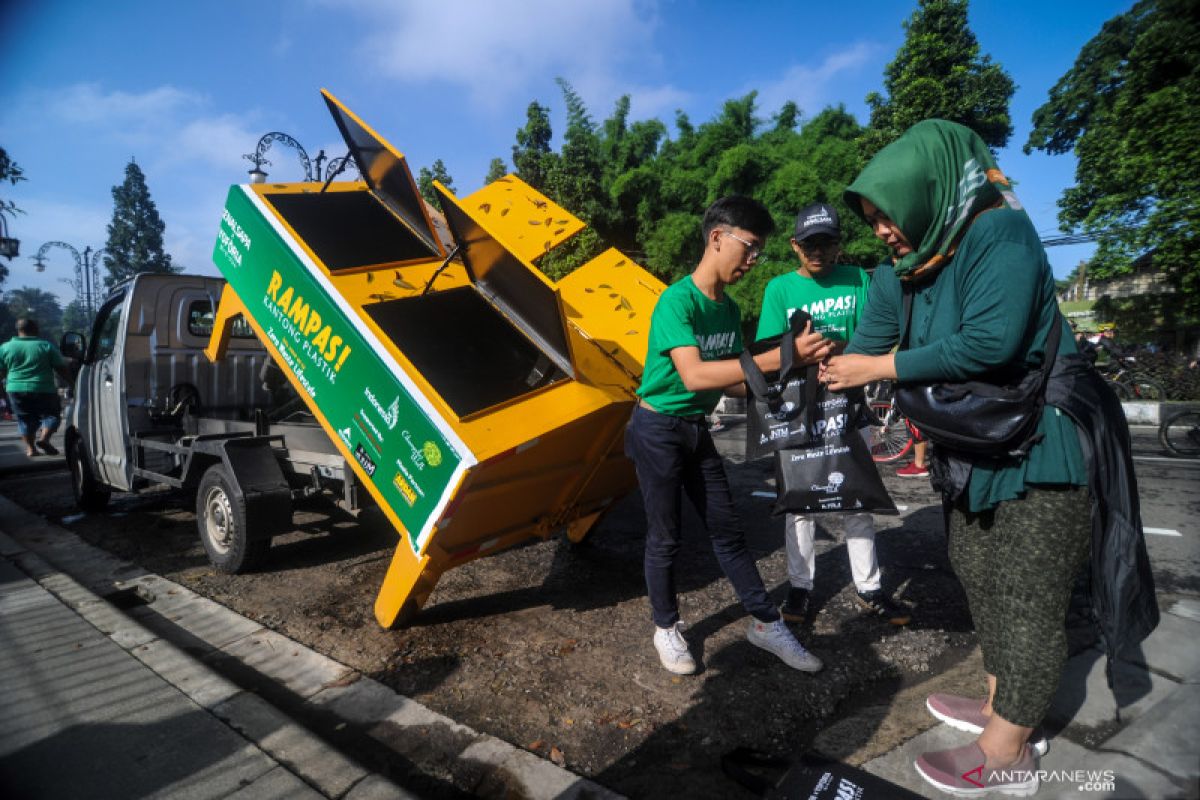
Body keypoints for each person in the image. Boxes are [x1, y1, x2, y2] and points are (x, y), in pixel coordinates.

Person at [820, 119, 1156, 796]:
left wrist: (878, 364)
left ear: (929, 192)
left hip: (1041, 444)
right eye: (873, 219)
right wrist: (821, 360)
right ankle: (1006, 702)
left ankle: (1008, 752)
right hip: (972, 447)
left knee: (1028, 596)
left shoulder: (999, 233)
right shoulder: (902, 272)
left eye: (887, 214)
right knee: (980, 572)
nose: (882, 230)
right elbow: (864, 344)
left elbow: (991, 344)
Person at [626, 195, 832, 676]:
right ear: (718, 238)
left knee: (728, 530)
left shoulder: (728, 309)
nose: (754, 261)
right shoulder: (677, 301)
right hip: (656, 428)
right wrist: (783, 356)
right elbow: (697, 375)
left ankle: (764, 621)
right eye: (750, 247)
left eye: (759, 251)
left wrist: (789, 378)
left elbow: (737, 380)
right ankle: (666, 625)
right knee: (666, 536)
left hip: (696, 429)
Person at [755, 202, 909, 626]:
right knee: (799, 501)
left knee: (855, 497)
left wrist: (840, 351)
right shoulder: (779, 289)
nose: (817, 252)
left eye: (826, 243)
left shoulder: (858, 279)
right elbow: (770, 354)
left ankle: (869, 586)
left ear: (839, 244)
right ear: (794, 246)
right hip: (798, 408)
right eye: (808, 245)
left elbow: (874, 336)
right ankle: (801, 586)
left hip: (848, 402)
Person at [0, 318, 70, 458]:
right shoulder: (45, 346)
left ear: (18, 330)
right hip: (43, 388)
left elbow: (1, 372)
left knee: (25, 419)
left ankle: (31, 449)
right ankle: (44, 439)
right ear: (35, 329)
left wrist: (2, 392)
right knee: (51, 415)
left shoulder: (5, 348)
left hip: (15, 388)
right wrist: (72, 383)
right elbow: (61, 368)